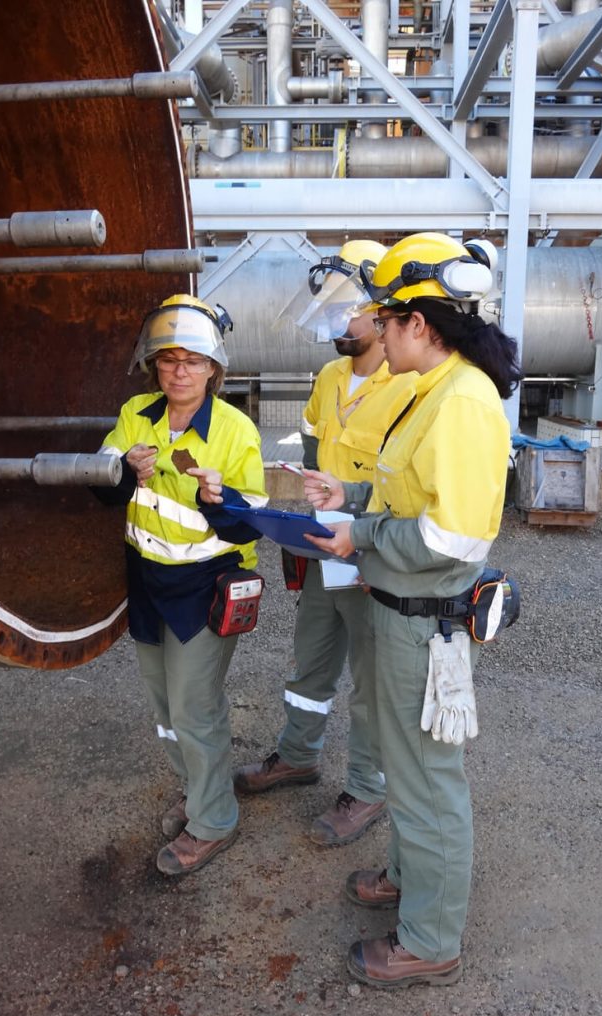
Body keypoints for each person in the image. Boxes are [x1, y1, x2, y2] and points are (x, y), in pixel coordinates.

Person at [302, 232, 521, 987]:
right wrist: (352, 498)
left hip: (423, 616)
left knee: (428, 781)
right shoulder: (434, 391)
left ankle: (429, 939)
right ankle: (407, 874)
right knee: (407, 766)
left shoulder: (460, 401)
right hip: (400, 612)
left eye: (385, 317)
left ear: (417, 326)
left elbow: (450, 535)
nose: (375, 328)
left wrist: (356, 531)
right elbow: (411, 496)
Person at [234, 240, 417, 846]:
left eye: (348, 312)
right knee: (308, 664)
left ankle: (367, 788)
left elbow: (411, 491)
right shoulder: (331, 375)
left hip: (375, 556)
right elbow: (314, 442)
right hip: (324, 551)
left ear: (381, 313)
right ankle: (298, 755)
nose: (337, 325)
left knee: (372, 683)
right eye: (331, 311)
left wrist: (352, 505)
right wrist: (314, 497)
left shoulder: (411, 385)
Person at [94, 294, 268, 876]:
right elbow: (100, 485)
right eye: (168, 360)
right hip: (146, 582)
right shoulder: (135, 415)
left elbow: (254, 523)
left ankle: (214, 821)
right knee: (164, 706)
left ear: (213, 368)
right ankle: (197, 791)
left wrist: (224, 497)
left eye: (192, 360)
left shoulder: (235, 430)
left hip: (204, 584)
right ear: (154, 366)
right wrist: (121, 472)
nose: (180, 371)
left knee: (195, 707)